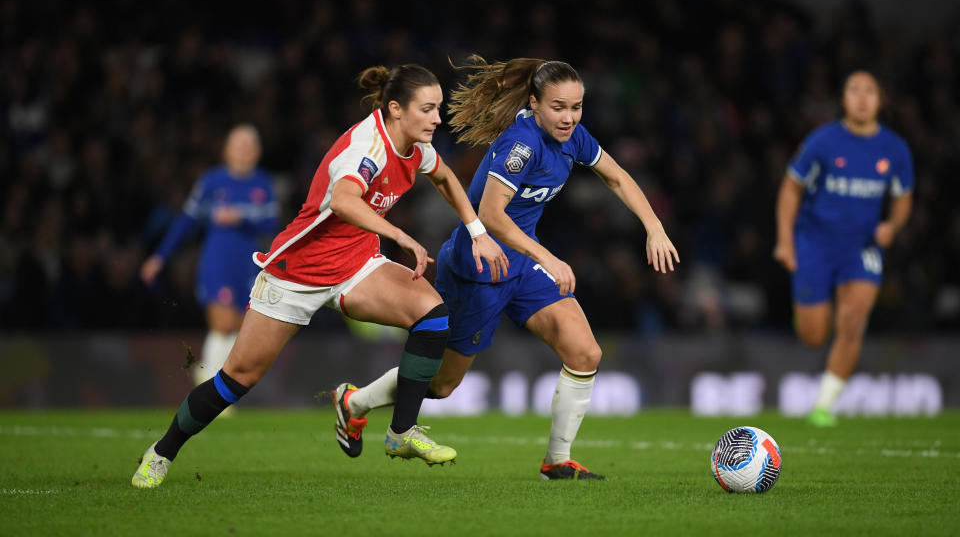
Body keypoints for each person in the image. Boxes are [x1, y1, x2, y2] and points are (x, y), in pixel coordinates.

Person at [132, 64, 509, 488]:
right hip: (298, 273)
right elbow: (345, 200)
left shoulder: (416, 146)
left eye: (438, 108)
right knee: (238, 379)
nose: (438, 118)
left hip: (356, 265)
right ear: (396, 110)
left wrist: (477, 232)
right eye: (428, 109)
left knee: (433, 315)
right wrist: (399, 234)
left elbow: (443, 176)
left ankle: (400, 432)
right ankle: (161, 453)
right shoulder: (367, 148)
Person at [334, 57, 679, 480]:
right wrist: (547, 257)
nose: (569, 117)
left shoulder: (573, 138)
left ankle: (557, 461)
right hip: (477, 269)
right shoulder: (521, 145)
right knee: (442, 385)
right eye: (558, 107)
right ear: (535, 104)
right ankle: (354, 403)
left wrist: (654, 227)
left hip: (523, 264)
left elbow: (618, 178)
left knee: (585, 352)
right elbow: (491, 214)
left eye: (576, 107)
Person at [774, 70, 914, 427]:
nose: (862, 97)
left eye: (870, 90)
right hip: (815, 242)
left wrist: (892, 226)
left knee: (852, 321)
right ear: (843, 99)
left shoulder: (895, 149)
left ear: (881, 99)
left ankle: (823, 406)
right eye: (854, 89)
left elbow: (902, 200)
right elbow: (791, 189)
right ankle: (805, 316)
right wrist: (786, 241)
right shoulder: (822, 142)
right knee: (814, 334)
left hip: (861, 247)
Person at [141, 124, 278, 390]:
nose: (243, 150)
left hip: (248, 265)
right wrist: (159, 257)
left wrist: (242, 216)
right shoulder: (211, 182)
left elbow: (272, 222)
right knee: (223, 322)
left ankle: (218, 383)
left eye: (249, 145)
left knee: (243, 328)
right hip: (218, 263)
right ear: (226, 150)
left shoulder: (263, 184)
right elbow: (185, 221)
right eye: (238, 144)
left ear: (258, 151)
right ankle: (209, 384)